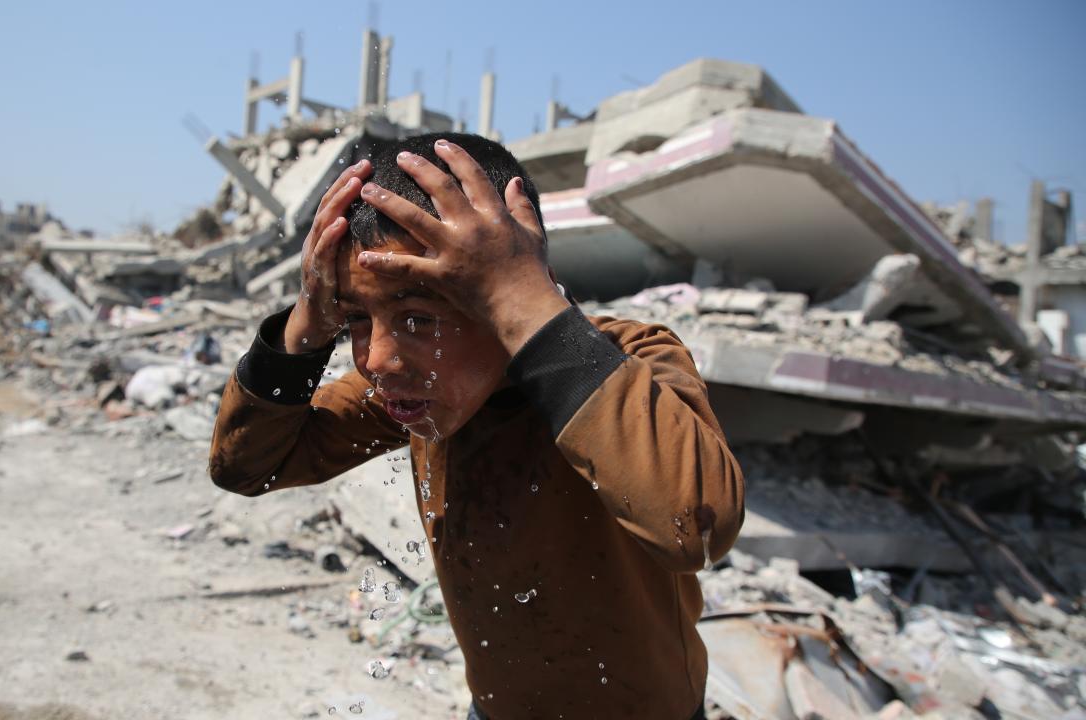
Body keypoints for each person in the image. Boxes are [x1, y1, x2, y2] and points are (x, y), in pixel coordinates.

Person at [209, 133, 744, 719]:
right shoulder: (412, 397)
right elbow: (247, 466)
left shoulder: (627, 360)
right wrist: (307, 323)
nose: (378, 359)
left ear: (508, 287)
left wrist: (525, 298)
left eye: (419, 318)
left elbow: (695, 528)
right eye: (355, 320)